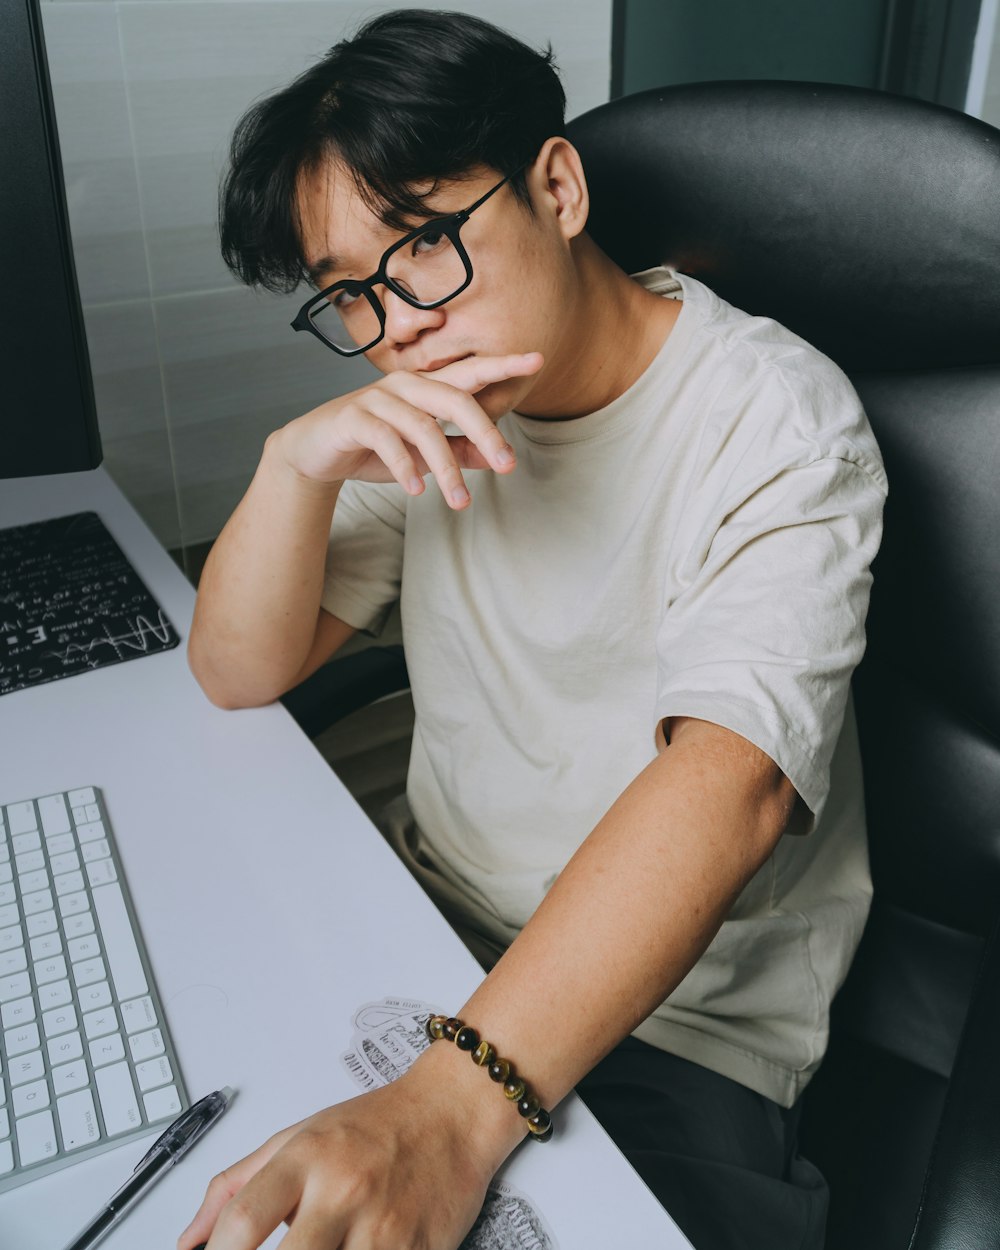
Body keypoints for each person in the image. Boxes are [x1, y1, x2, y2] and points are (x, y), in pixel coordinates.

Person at [180, 10, 886, 1250]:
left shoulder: (776, 419)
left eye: (423, 244)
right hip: (428, 918)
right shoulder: (431, 404)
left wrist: (449, 1113)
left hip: (675, 1015)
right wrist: (291, 466)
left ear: (556, 188)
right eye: (348, 294)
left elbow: (728, 789)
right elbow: (237, 668)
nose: (395, 323)